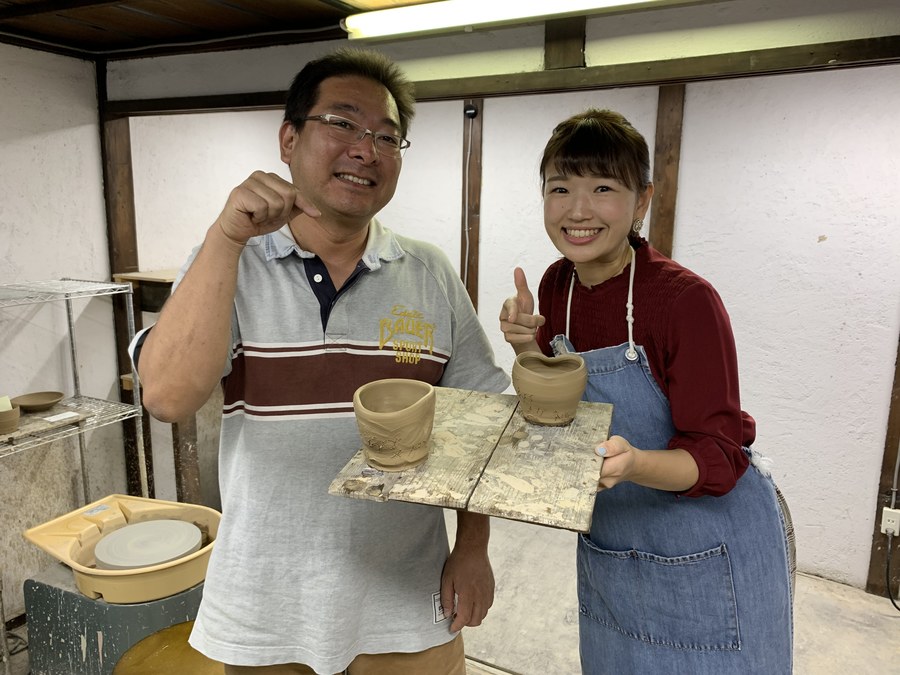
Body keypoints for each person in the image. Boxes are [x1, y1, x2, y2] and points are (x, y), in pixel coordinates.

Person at [133, 48, 509, 674]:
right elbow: (168, 397)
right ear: (289, 139)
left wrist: (474, 546)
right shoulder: (229, 259)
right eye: (342, 123)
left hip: (406, 599)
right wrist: (226, 237)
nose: (366, 149)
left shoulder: (429, 272)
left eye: (386, 136)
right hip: (265, 605)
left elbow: (481, 422)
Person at [499, 108, 793, 673]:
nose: (578, 210)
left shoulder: (684, 301)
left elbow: (719, 455)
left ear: (642, 202)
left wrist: (633, 464)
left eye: (603, 188)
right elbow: (563, 401)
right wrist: (525, 348)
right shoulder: (557, 284)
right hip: (616, 539)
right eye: (560, 188)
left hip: (707, 543)